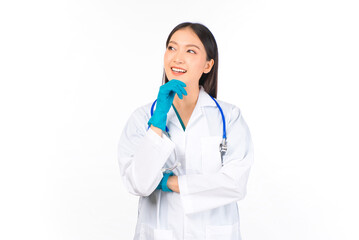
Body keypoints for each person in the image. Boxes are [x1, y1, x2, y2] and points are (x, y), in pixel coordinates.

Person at [118, 22, 254, 240]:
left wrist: (170, 183)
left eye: (190, 51)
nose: (177, 58)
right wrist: (158, 123)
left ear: (208, 65)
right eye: (172, 48)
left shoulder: (229, 117)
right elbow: (139, 184)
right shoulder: (142, 118)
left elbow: (234, 184)